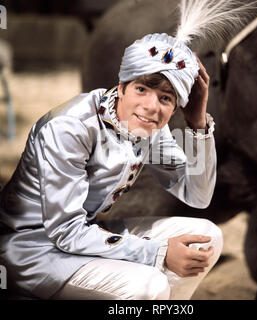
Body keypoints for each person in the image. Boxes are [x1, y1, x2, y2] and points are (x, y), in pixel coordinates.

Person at [0, 2, 230, 300]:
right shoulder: (71, 127)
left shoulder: (149, 129)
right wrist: (158, 252)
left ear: (175, 106)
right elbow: (65, 231)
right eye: (141, 90)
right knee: (150, 284)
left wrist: (198, 123)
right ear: (121, 86)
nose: (151, 106)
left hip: (85, 235)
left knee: (206, 238)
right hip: (32, 250)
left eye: (165, 98)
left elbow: (197, 196)